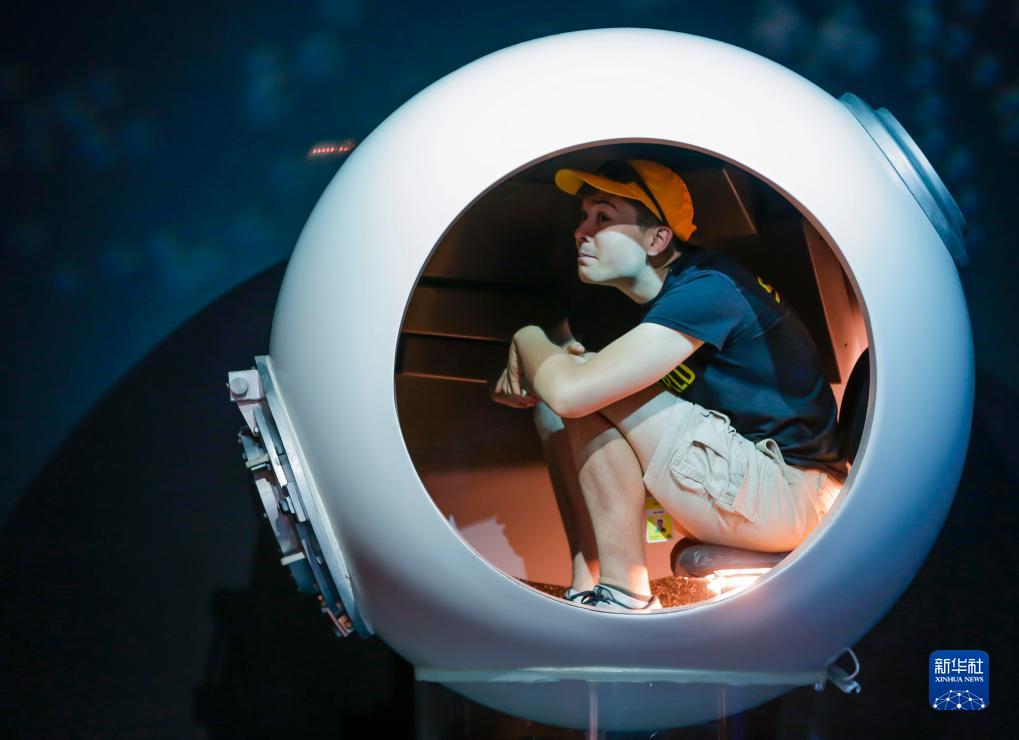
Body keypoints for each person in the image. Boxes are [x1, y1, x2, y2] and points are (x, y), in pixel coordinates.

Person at [492, 159, 847, 612]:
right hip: (752, 489)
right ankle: (588, 584)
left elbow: (568, 391)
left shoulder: (708, 289)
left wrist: (526, 337)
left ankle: (624, 595)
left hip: (796, 496)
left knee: (584, 385)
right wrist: (540, 373)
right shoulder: (642, 301)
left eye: (603, 217)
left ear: (657, 240)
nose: (581, 231)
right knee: (566, 396)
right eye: (584, 217)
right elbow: (540, 393)